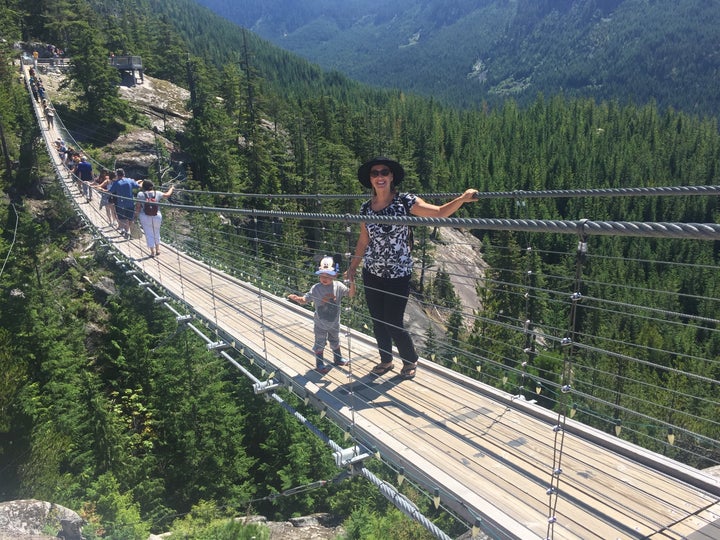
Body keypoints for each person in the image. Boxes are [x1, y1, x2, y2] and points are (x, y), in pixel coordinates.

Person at [345, 157, 479, 380]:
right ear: (370, 180)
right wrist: (352, 268)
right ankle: (386, 360)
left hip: (398, 273)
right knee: (378, 319)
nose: (379, 176)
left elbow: (438, 213)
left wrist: (462, 199)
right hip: (372, 271)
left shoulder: (405, 201)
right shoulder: (365, 208)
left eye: (384, 172)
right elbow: (363, 240)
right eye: (374, 173)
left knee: (393, 320)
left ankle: (409, 360)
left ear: (391, 177)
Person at [288, 256, 356, 374]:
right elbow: (305, 299)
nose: (324, 278)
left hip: (334, 322)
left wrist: (352, 281)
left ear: (334, 275)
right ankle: (319, 363)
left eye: (328, 275)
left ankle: (338, 358)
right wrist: (298, 299)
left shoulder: (338, 286)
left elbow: (350, 294)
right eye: (322, 275)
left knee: (335, 339)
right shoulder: (316, 288)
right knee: (320, 342)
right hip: (320, 323)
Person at [133, 179, 174, 257]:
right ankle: (158, 249)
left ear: (144, 187)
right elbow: (167, 195)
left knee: (148, 233)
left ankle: (152, 252)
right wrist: (171, 188)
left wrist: (135, 216)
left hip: (144, 216)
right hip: (156, 215)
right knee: (156, 232)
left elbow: (138, 207)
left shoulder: (140, 194)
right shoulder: (157, 193)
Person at [109, 168, 140, 239]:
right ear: (124, 174)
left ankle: (126, 231)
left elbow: (110, 191)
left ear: (117, 175)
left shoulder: (116, 183)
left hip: (121, 203)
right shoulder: (130, 180)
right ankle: (130, 232)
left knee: (123, 218)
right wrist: (138, 182)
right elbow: (137, 186)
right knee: (130, 218)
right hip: (130, 203)